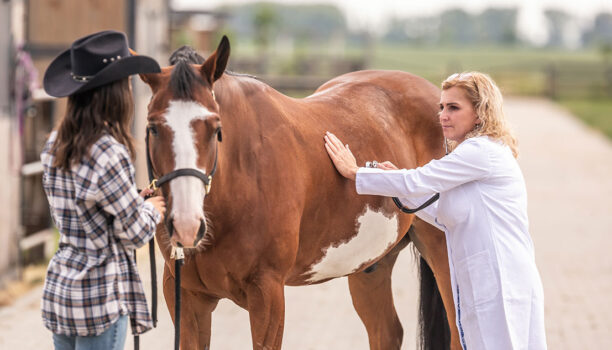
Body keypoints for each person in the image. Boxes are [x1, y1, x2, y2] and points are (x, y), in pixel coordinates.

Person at [324, 72, 547, 349]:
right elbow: (438, 211)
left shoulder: (480, 151)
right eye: (441, 107)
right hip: (482, 281)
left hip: (501, 280)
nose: (443, 115)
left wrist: (355, 172)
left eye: (453, 108)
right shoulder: (474, 153)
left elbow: (418, 180)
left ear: (480, 113)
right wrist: (397, 186)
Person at [40, 30, 165, 350]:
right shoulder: (109, 152)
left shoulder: (55, 145)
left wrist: (129, 199)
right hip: (99, 298)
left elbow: (82, 209)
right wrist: (153, 210)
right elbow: (135, 233)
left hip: (62, 291)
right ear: (115, 94)